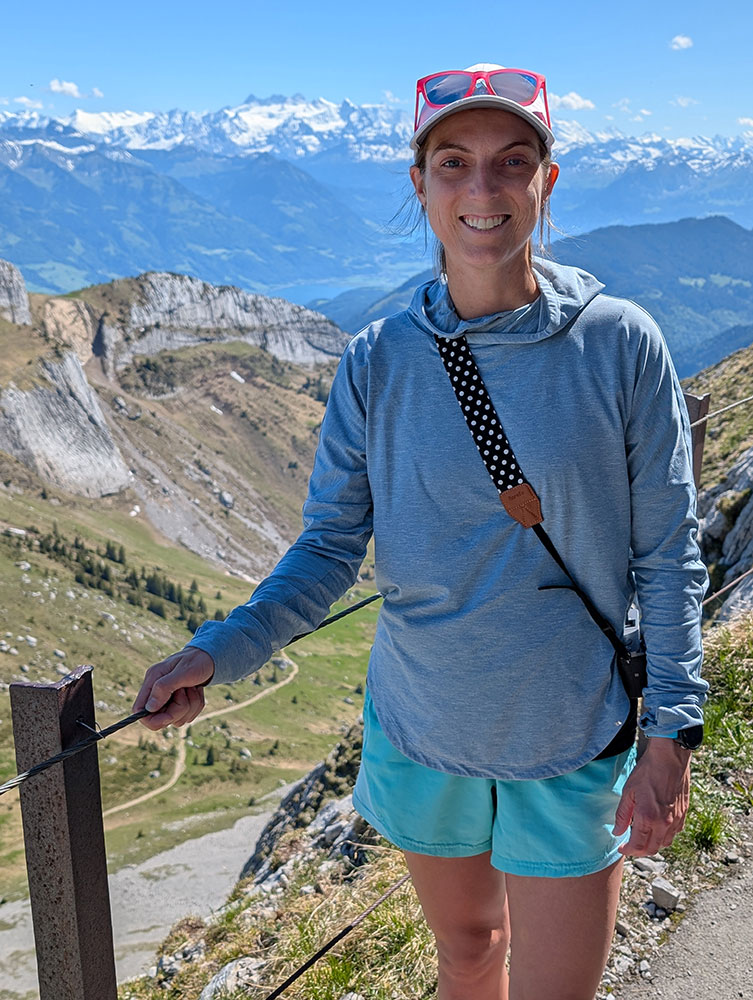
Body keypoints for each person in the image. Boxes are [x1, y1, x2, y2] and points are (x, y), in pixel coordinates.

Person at [134, 63, 708, 1000]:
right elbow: (328, 548)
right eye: (453, 163)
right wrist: (219, 653)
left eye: (510, 162)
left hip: (571, 729)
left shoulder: (619, 343)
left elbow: (666, 554)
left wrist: (670, 735)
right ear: (419, 184)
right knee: (468, 956)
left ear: (545, 181)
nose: (481, 191)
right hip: (420, 728)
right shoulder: (379, 357)